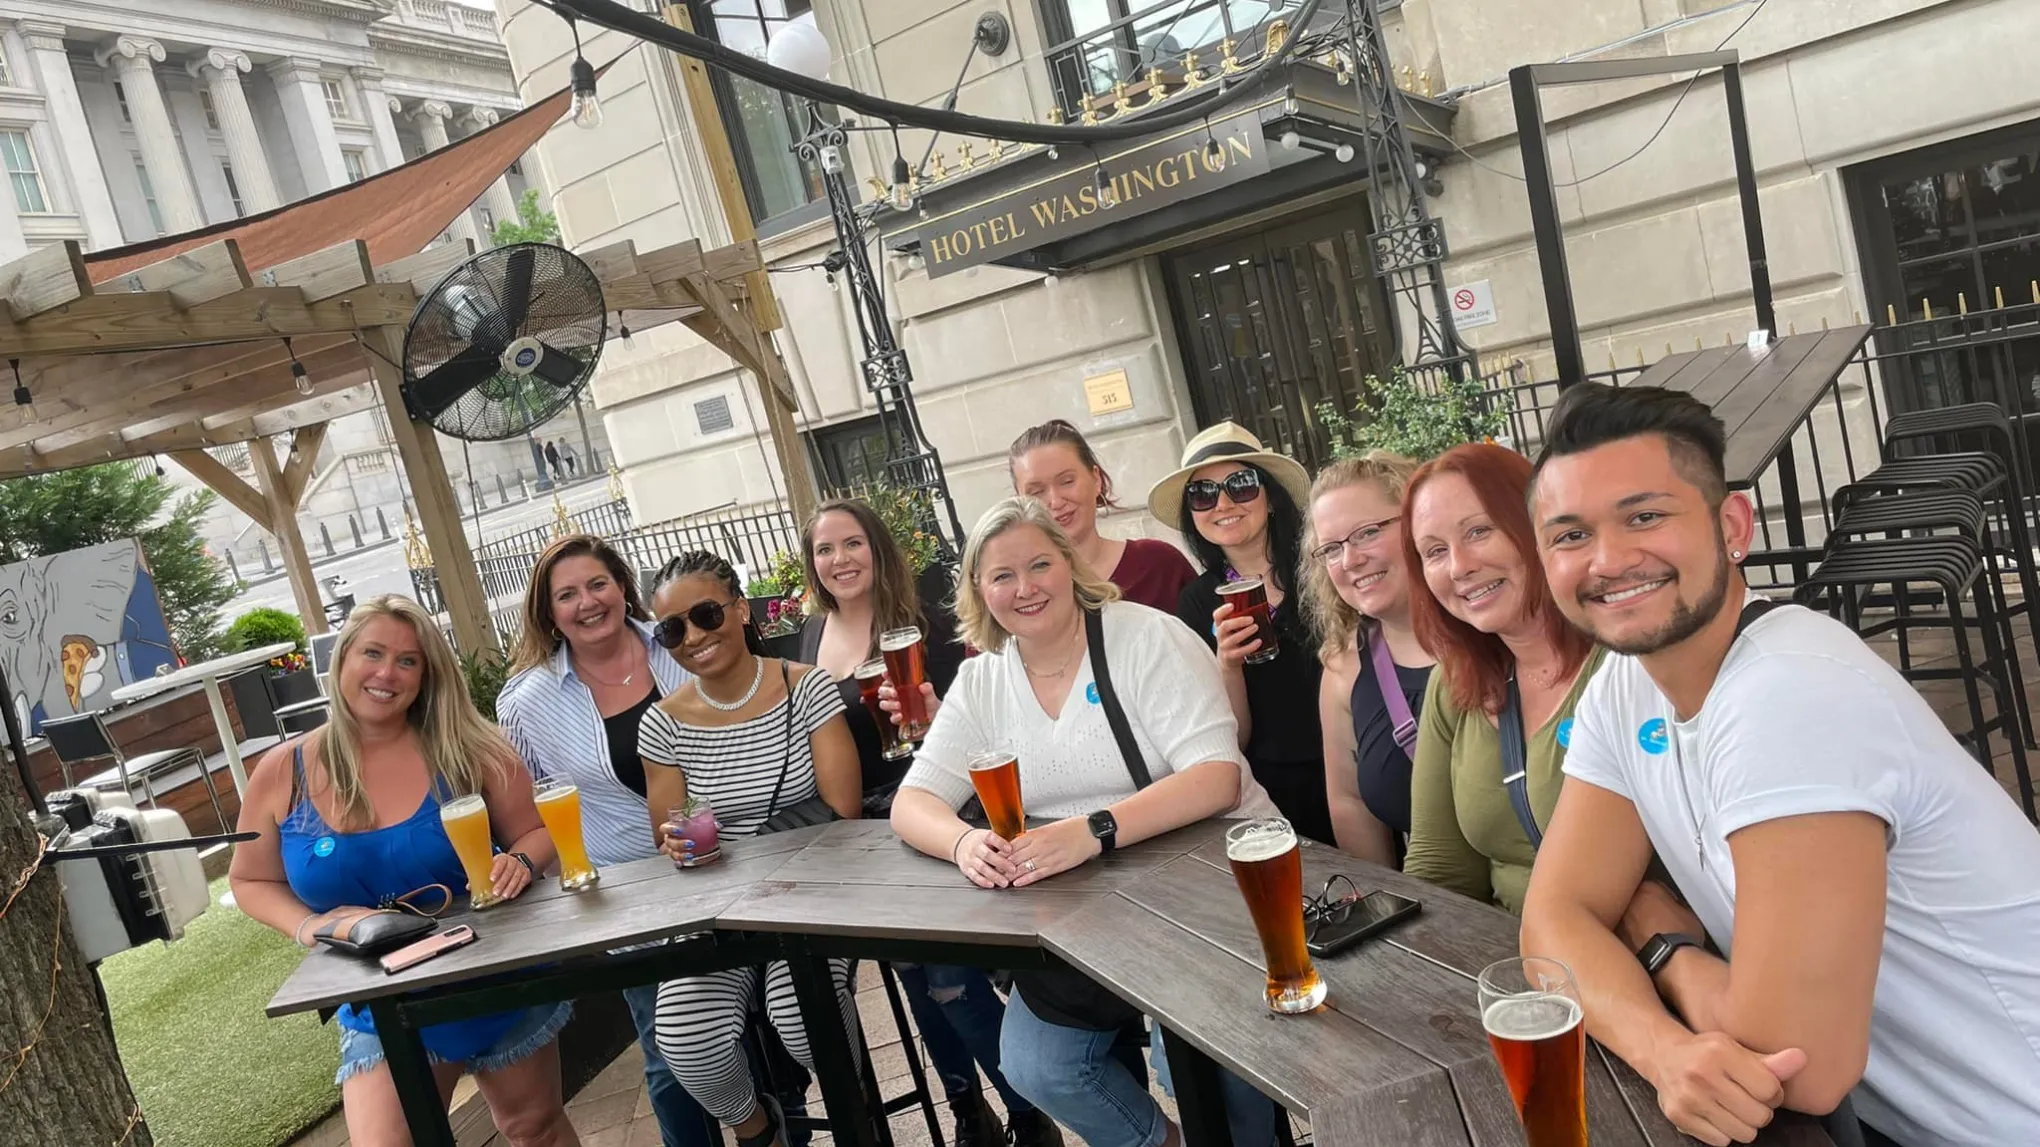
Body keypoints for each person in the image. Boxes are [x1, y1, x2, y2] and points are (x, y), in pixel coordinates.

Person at [1521, 383, 2040, 1147]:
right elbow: (1551, 923)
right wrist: (1666, 1052)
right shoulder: (1625, 686)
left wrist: (1665, 942)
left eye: (1646, 516)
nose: (1608, 559)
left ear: (1732, 524)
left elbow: (1795, 1069)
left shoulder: (1791, 692)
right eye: (1570, 535)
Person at [891, 496, 1283, 1147]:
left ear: (1070, 564)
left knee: (1203, 1067)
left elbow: (1219, 776)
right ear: (978, 590)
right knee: (1037, 1063)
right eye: (1002, 575)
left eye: (1040, 563)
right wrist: (964, 842)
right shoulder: (983, 680)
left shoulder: (1144, 637)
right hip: (1089, 906)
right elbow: (913, 803)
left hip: (1206, 881)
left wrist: (1092, 829)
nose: (1025, 587)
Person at [229, 595, 579, 1147]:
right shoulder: (282, 771)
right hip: (379, 999)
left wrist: (519, 860)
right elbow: (249, 881)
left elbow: (537, 834)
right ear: (342, 660)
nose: (386, 673)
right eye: (372, 653)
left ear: (426, 676)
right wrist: (306, 926)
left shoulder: (470, 749)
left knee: (533, 1129)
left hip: (495, 974)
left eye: (408, 661)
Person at [794, 500, 1050, 1147]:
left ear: (876, 548)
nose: (839, 559)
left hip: (934, 815)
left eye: (852, 543)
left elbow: (983, 740)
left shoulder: (927, 627)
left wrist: (932, 715)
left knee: (950, 983)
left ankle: (1025, 1112)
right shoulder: (809, 638)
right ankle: (970, 1112)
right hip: (862, 837)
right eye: (825, 549)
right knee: (916, 985)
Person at [497, 534, 717, 1147]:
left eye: (597, 584)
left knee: (763, 1026)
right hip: (632, 897)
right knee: (669, 1054)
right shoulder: (527, 700)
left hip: (728, 862)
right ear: (548, 613)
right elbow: (530, 812)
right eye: (566, 595)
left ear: (622, 586)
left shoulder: (681, 643)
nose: (587, 602)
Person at [639, 550, 864, 1147]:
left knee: (800, 1016)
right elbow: (673, 831)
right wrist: (680, 844)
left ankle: (855, 1112)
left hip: (812, 883)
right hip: (719, 906)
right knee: (684, 1037)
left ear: (739, 609)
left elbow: (842, 806)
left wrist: (746, 854)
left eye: (706, 614)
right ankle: (758, 1127)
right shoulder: (662, 724)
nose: (693, 636)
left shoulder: (804, 685)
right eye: (672, 628)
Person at [1401, 443, 1603, 913]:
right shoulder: (1454, 684)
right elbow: (1439, 871)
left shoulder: (1626, 660)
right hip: (1507, 964)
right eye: (1434, 551)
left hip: (1640, 960)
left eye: (1478, 531)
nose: (1459, 567)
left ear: (1536, 523)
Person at [1147, 421, 1332, 846]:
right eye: (1203, 494)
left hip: (1350, 762)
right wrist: (1227, 664)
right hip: (1270, 786)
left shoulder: (1320, 566)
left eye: (1242, 484)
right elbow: (1231, 738)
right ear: (1193, 516)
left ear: (1269, 497)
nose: (1223, 503)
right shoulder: (1196, 602)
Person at [1299, 452, 1432, 865]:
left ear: (1419, 522)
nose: (1351, 560)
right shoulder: (1344, 666)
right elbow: (1348, 802)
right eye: (1332, 548)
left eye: (1368, 532)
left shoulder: (1496, 631)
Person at [1009, 419, 1196, 611]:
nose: (1056, 502)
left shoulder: (1159, 566)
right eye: (1036, 492)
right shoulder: (1018, 595)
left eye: (1067, 481)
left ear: (1096, 478)